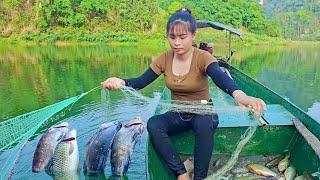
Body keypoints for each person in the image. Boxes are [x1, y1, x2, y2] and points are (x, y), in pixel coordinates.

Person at [101, 8, 266, 180]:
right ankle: (181, 173)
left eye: (182, 37)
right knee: (154, 124)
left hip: (203, 111)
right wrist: (120, 81)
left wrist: (240, 96)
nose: (177, 43)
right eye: (172, 37)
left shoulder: (203, 57)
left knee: (204, 126)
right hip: (178, 113)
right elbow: (140, 82)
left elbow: (220, 78)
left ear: (193, 36)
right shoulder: (164, 59)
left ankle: (199, 177)